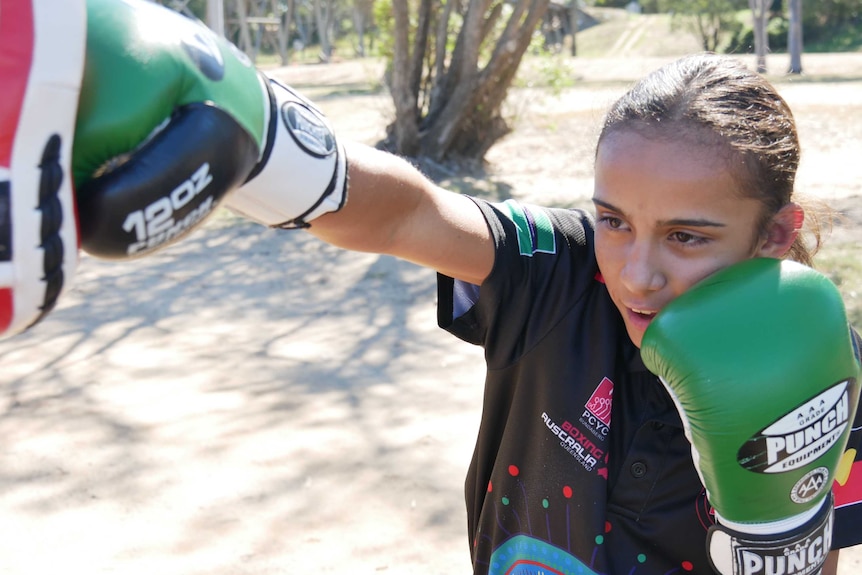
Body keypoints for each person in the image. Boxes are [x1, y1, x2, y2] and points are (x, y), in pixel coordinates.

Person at [3, 1, 861, 573]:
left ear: (776, 233)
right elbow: (412, 214)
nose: (636, 270)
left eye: (687, 237)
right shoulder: (560, 271)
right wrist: (263, 143)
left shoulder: (831, 367)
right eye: (614, 218)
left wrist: (778, 534)